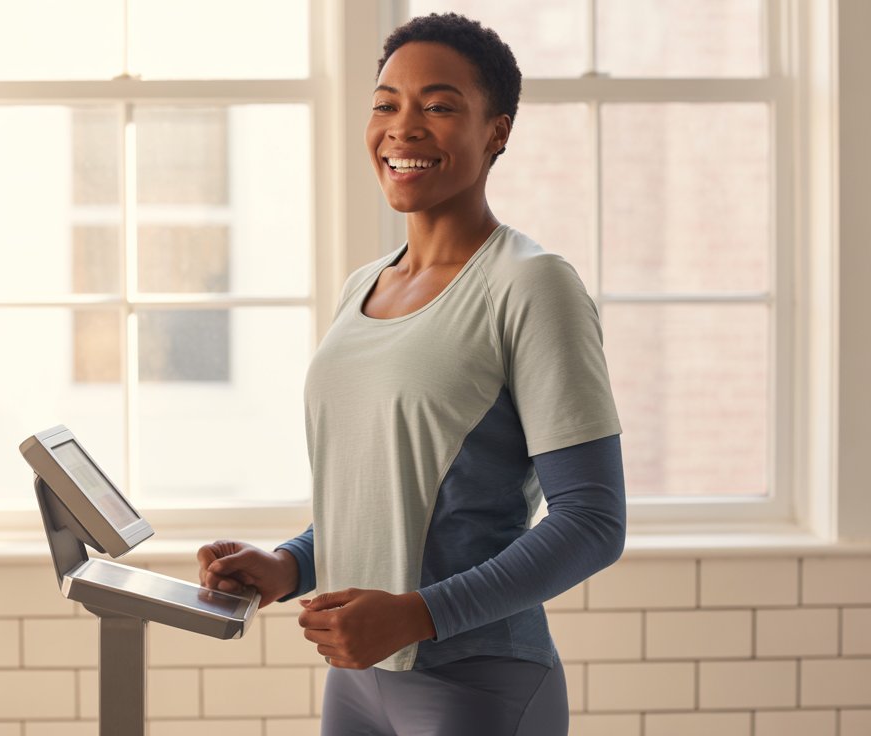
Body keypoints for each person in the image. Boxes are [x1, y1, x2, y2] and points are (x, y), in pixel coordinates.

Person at [198, 13, 625, 736]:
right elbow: (387, 495)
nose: (404, 126)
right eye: (386, 102)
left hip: (478, 684)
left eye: (438, 105)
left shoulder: (531, 285)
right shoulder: (363, 286)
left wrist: (417, 615)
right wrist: (288, 564)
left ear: (498, 130)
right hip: (358, 685)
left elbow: (593, 523)